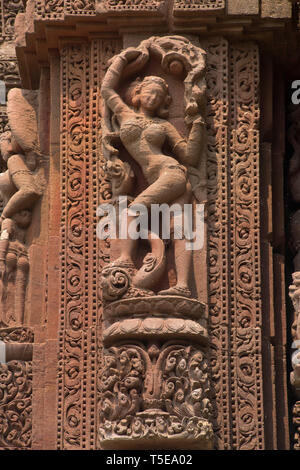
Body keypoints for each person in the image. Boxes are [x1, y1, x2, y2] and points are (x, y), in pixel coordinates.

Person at [101, 48, 205, 297]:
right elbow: (107, 90)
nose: (153, 97)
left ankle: (126, 259)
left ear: (163, 102)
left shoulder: (164, 125)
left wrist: (197, 122)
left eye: (159, 95)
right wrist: (122, 60)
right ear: (138, 93)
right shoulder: (125, 114)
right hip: (163, 179)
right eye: (149, 91)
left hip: (172, 173)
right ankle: (181, 287)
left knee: (133, 210)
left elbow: (189, 156)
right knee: (179, 229)